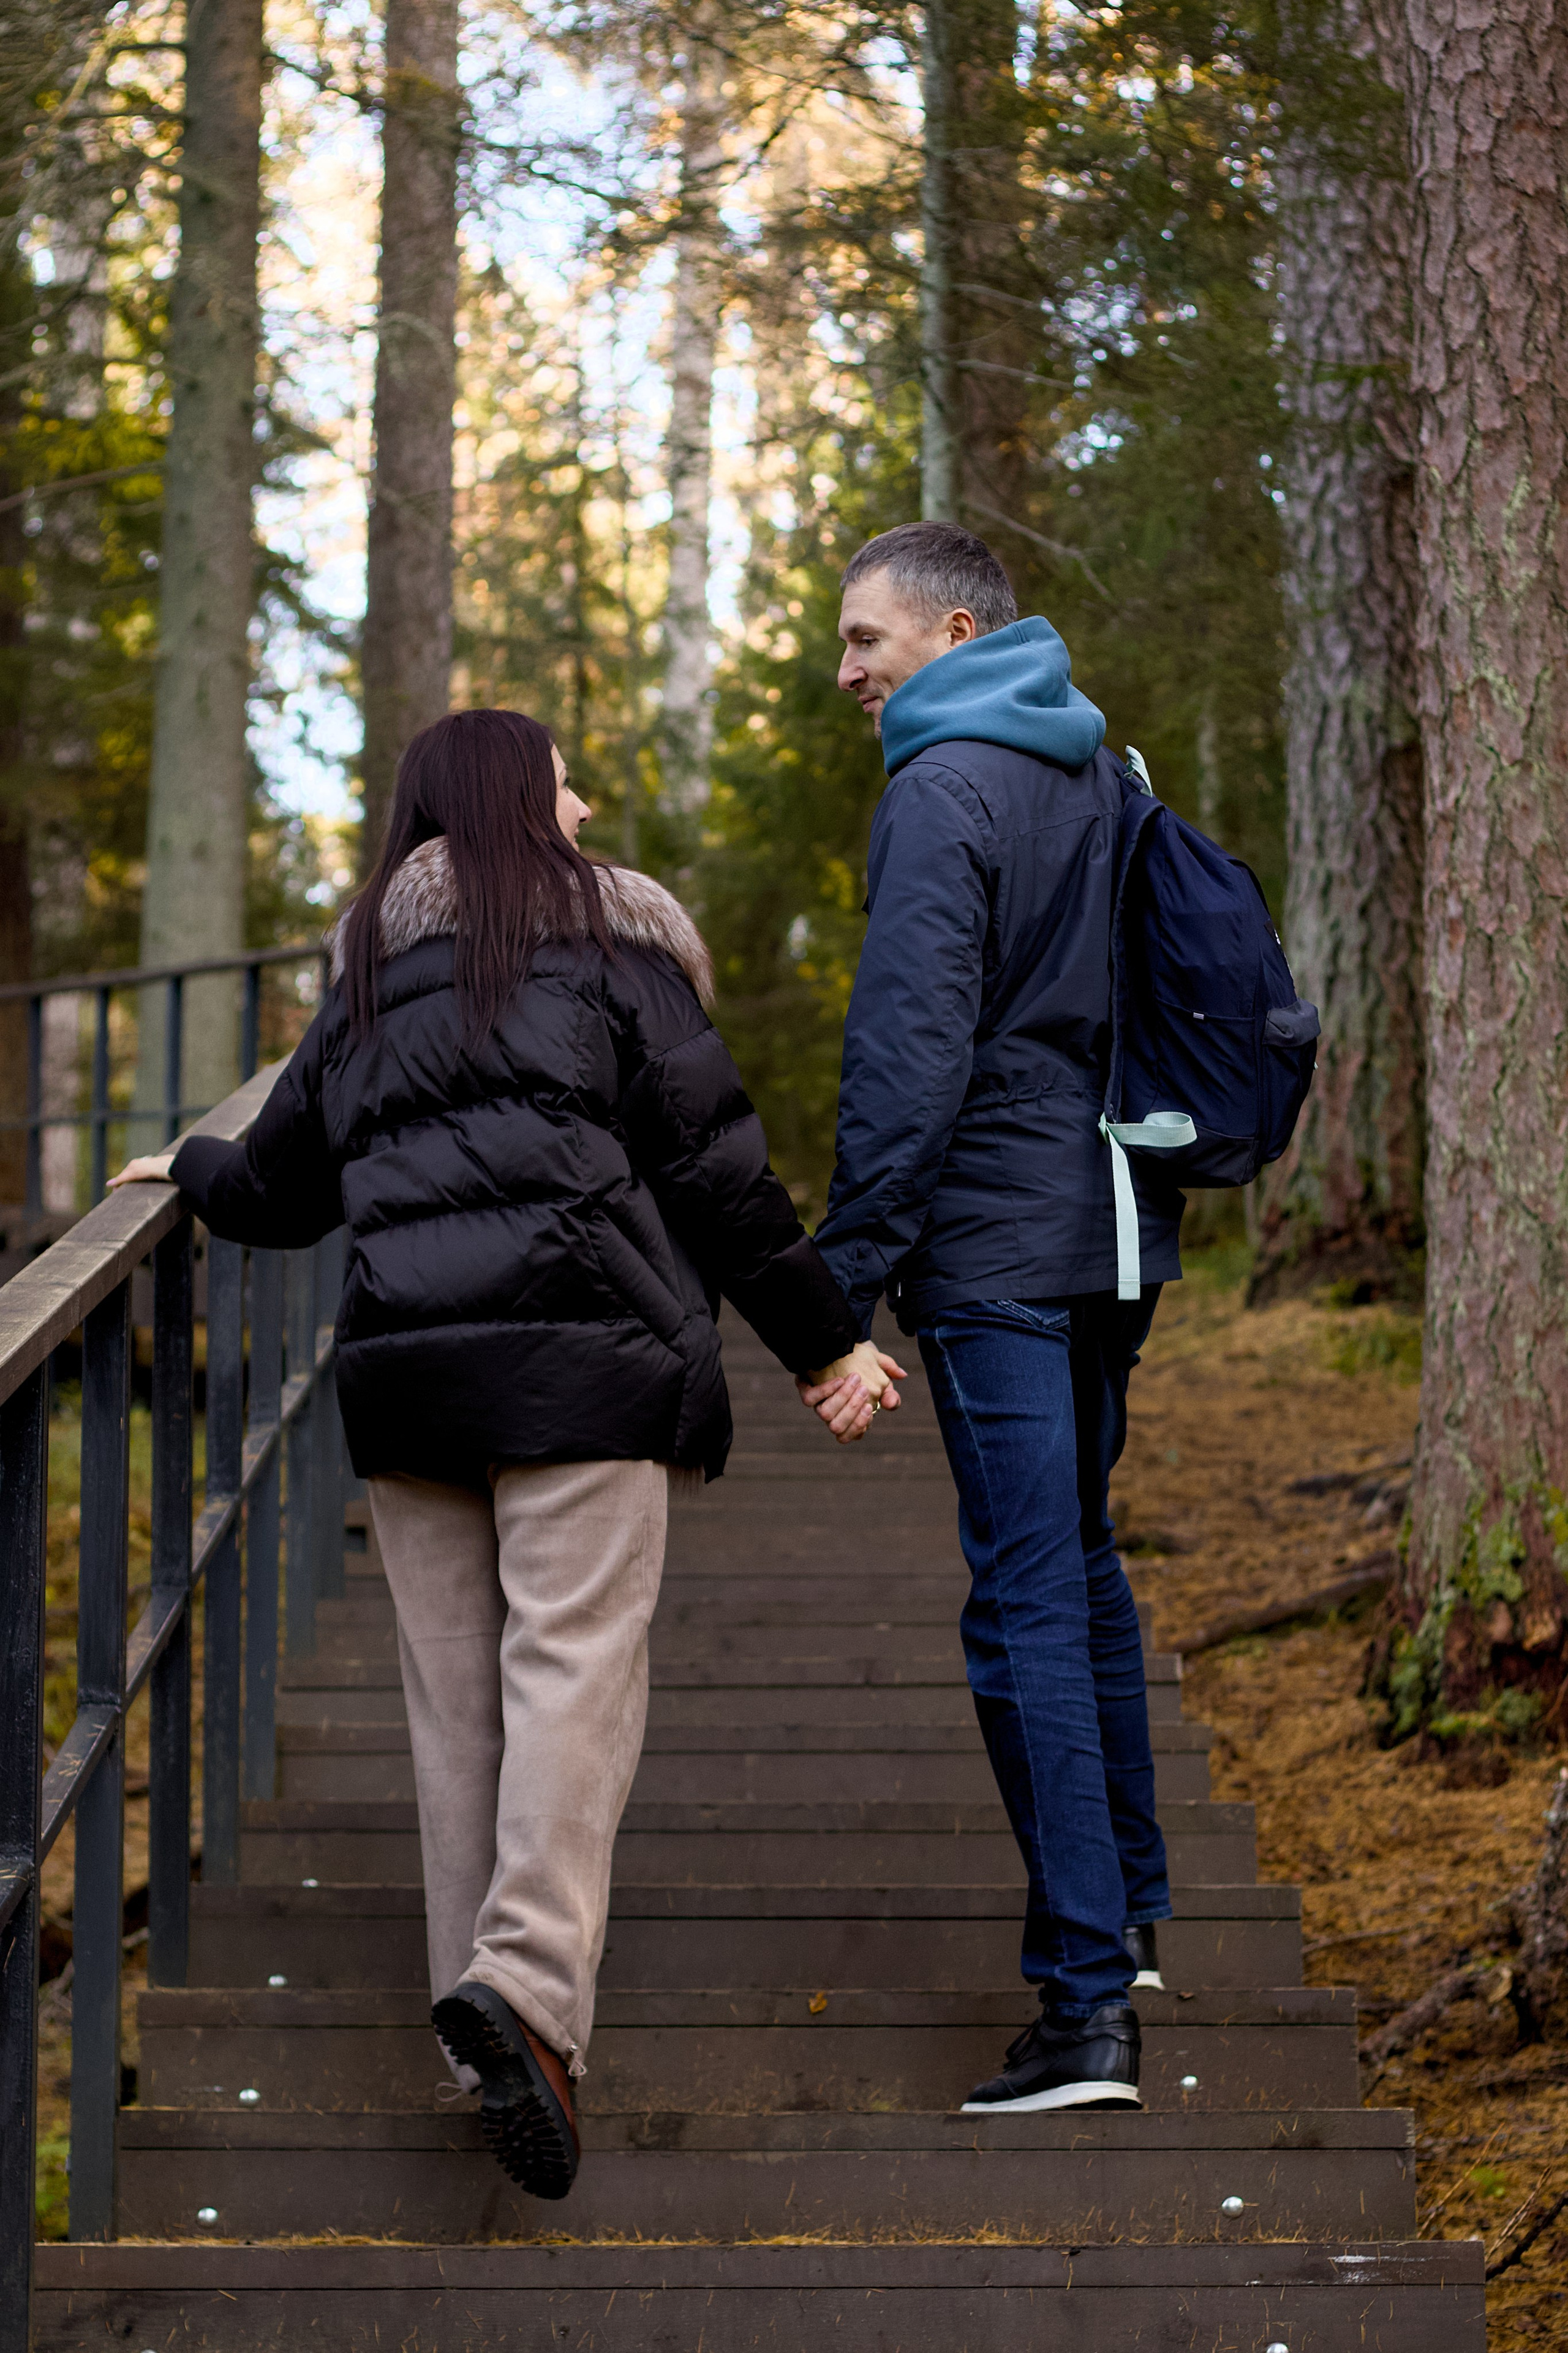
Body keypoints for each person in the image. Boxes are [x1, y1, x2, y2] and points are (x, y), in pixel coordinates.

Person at [111, 706, 900, 2199]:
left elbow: (277, 1184)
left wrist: (187, 1167)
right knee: (570, 1673)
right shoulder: (614, 949)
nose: (584, 798)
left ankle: (475, 2034)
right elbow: (720, 1172)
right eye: (564, 778)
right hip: (585, 1376)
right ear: (512, 805)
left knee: (455, 1709)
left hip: (413, 1390)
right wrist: (822, 1344)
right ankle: (528, 1996)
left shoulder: (363, 981)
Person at [802, 520, 1178, 2115]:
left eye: (864, 641)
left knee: (1023, 1602)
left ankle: (1087, 2007)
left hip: (1003, 1261)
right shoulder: (1109, 774)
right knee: (1078, 1570)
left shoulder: (941, 790)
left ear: (954, 634)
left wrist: (838, 1288)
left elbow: (909, 1057)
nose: (848, 675)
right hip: (1112, 1244)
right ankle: (1135, 1914)